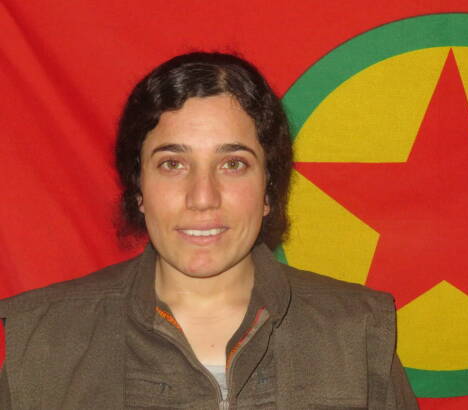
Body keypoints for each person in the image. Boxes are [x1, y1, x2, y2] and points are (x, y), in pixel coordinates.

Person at [0, 52, 418, 409]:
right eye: (173, 164)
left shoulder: (357, 333)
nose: (203, 197)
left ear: (268, 190)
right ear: (139, 188)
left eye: (233, 164)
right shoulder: (45, 341)